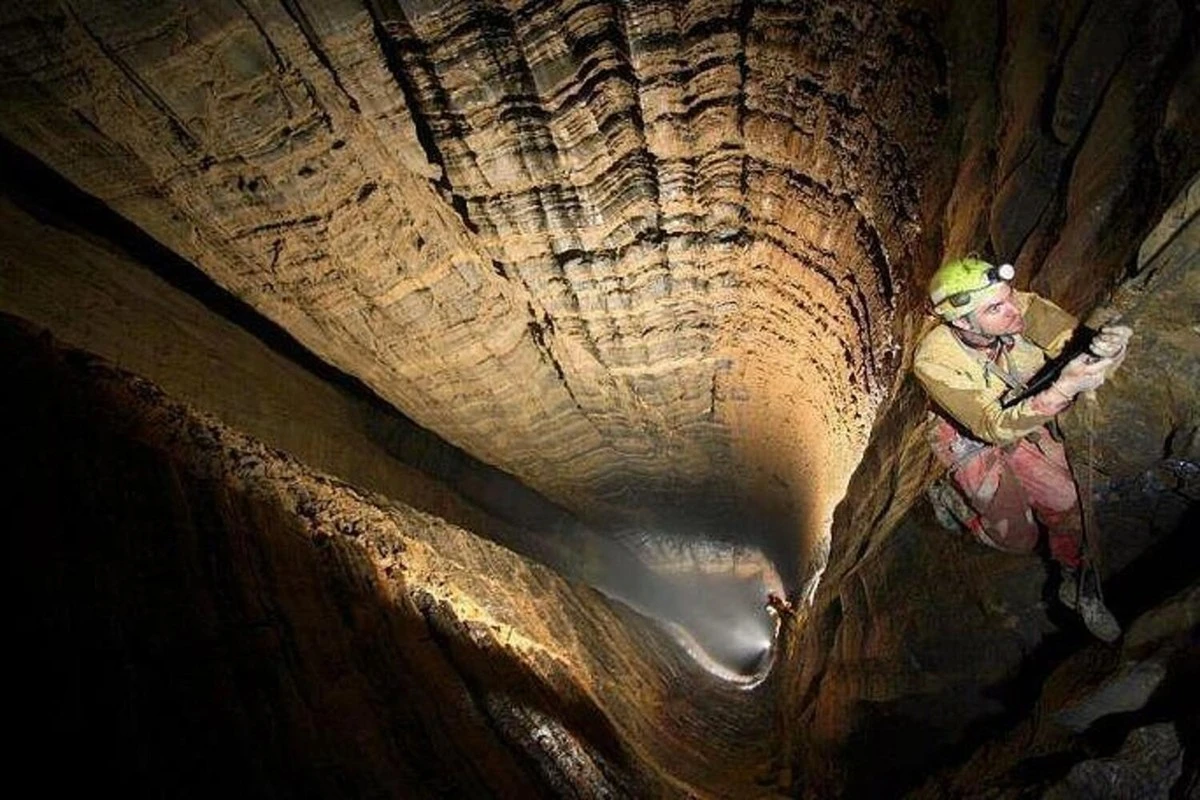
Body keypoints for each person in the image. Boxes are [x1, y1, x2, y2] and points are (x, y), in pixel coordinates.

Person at [913, 257, 1132, 642]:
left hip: (1026, 413)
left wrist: (1111, 349)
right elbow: (991, 427)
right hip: (967, 434)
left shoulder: (1024, 308)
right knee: (1018, 539)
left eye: (1008, 295)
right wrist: (1063, 388)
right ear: (964, 323)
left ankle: (1074, 580)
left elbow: (1081, 351)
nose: (1013, 309)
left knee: (1068, 499)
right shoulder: (934, 359)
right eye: (995, 309)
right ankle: (953, 499)